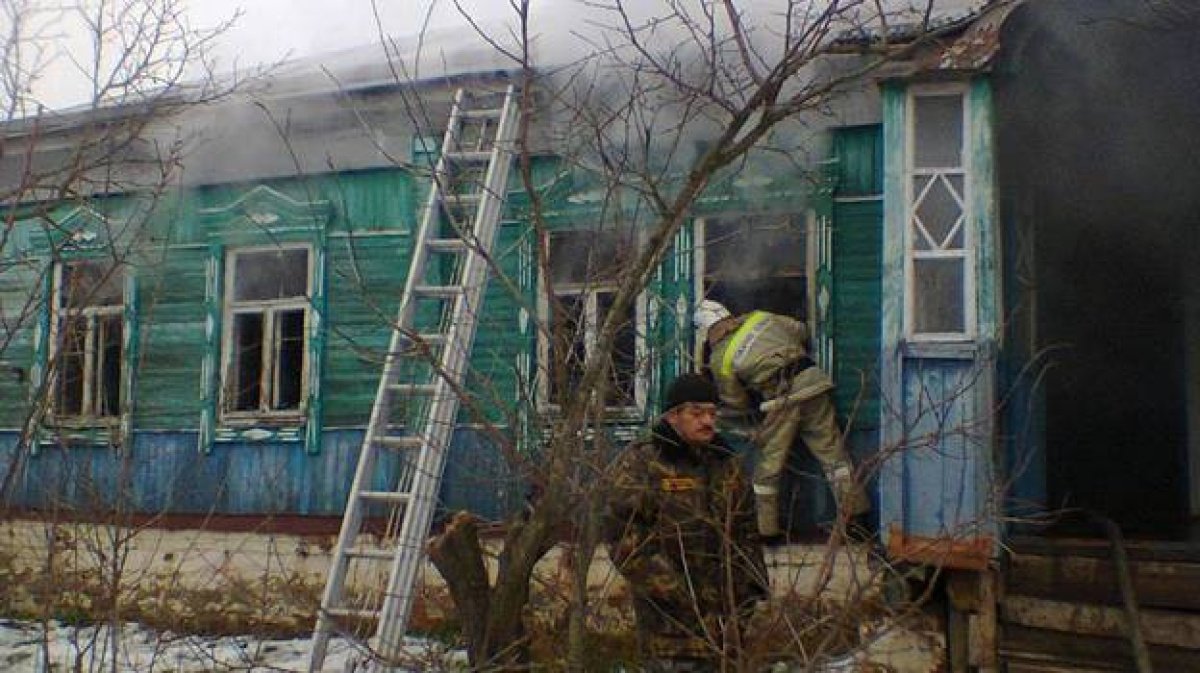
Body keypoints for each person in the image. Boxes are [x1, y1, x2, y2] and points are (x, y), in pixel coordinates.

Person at [604, 373, 767, 671]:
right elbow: (623, 537)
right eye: (696, 413)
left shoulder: (726, 464)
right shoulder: (645, 464)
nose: (707, 421)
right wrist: (675, 591)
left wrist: (748, 596)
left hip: (726, 630)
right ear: (673, 415)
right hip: (668, 631)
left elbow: (746, 534)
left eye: (712, 413)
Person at [693, 300, 871, 542]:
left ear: (707, 332)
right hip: (813, 384)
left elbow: (735, 402)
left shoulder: (720, 358)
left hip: (782, 399)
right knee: (834, 456)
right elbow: (801, 330)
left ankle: (768, 531)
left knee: (768, 466)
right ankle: (857, 520)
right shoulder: (760, 317)